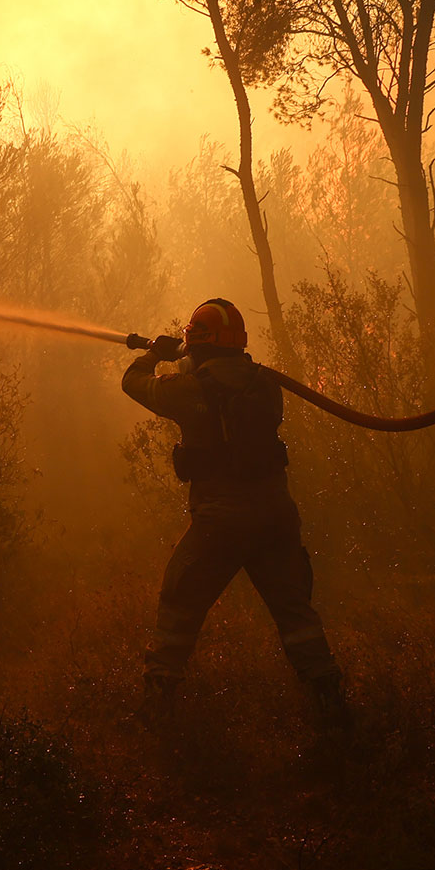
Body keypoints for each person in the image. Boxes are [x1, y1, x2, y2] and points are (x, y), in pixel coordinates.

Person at [122, 298, 349, 736]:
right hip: (276, 517)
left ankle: (156, 712)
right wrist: (188, 357)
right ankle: (331, 706)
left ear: (198, 343)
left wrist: (156, 354)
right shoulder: (264, 384)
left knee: (179, 602)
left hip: (222, 521)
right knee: (295, 613)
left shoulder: (191, 391)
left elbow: (133, 382)